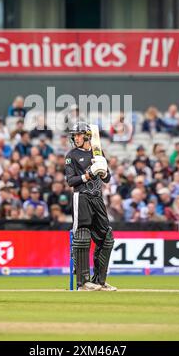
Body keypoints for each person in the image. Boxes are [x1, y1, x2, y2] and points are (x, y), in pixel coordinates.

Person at [65, 122, 116, 291]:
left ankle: (99, 281)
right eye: (75, 135)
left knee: (107, 238)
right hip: (82, 197)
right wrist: (89, 174)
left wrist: (103, 171)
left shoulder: (98, 152)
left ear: (87, 136)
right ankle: (83, 282)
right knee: (82, 236)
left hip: (97, 198)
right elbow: (71, 181)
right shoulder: (71, 155)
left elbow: (107, 179)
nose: (76, 138)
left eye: (79, 135)